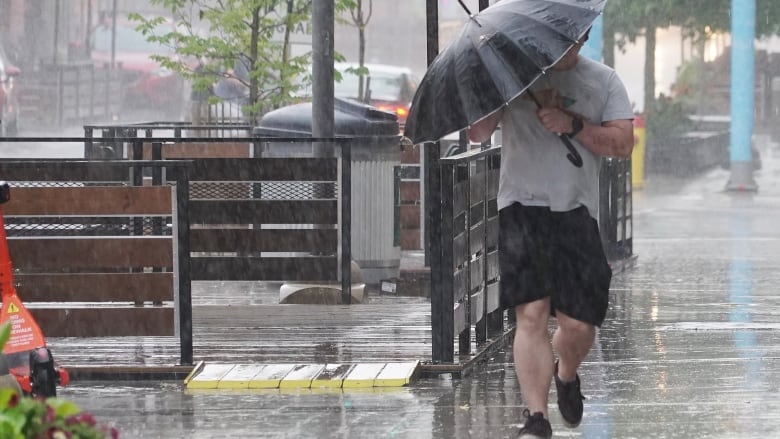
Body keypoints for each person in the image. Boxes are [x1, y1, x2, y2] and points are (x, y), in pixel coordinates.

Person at [468, 29, 634, 439]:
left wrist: (572, 124)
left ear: (584, 38)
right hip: (521, 207)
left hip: (575, 212)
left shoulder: (604, 81)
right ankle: (537, 419)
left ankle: (567, 372)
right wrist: (498, 91)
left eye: (575, 42)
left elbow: (623, 143)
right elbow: (476, 133)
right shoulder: (511, 77)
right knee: (531, 315)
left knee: (578, 325)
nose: (568, 49)